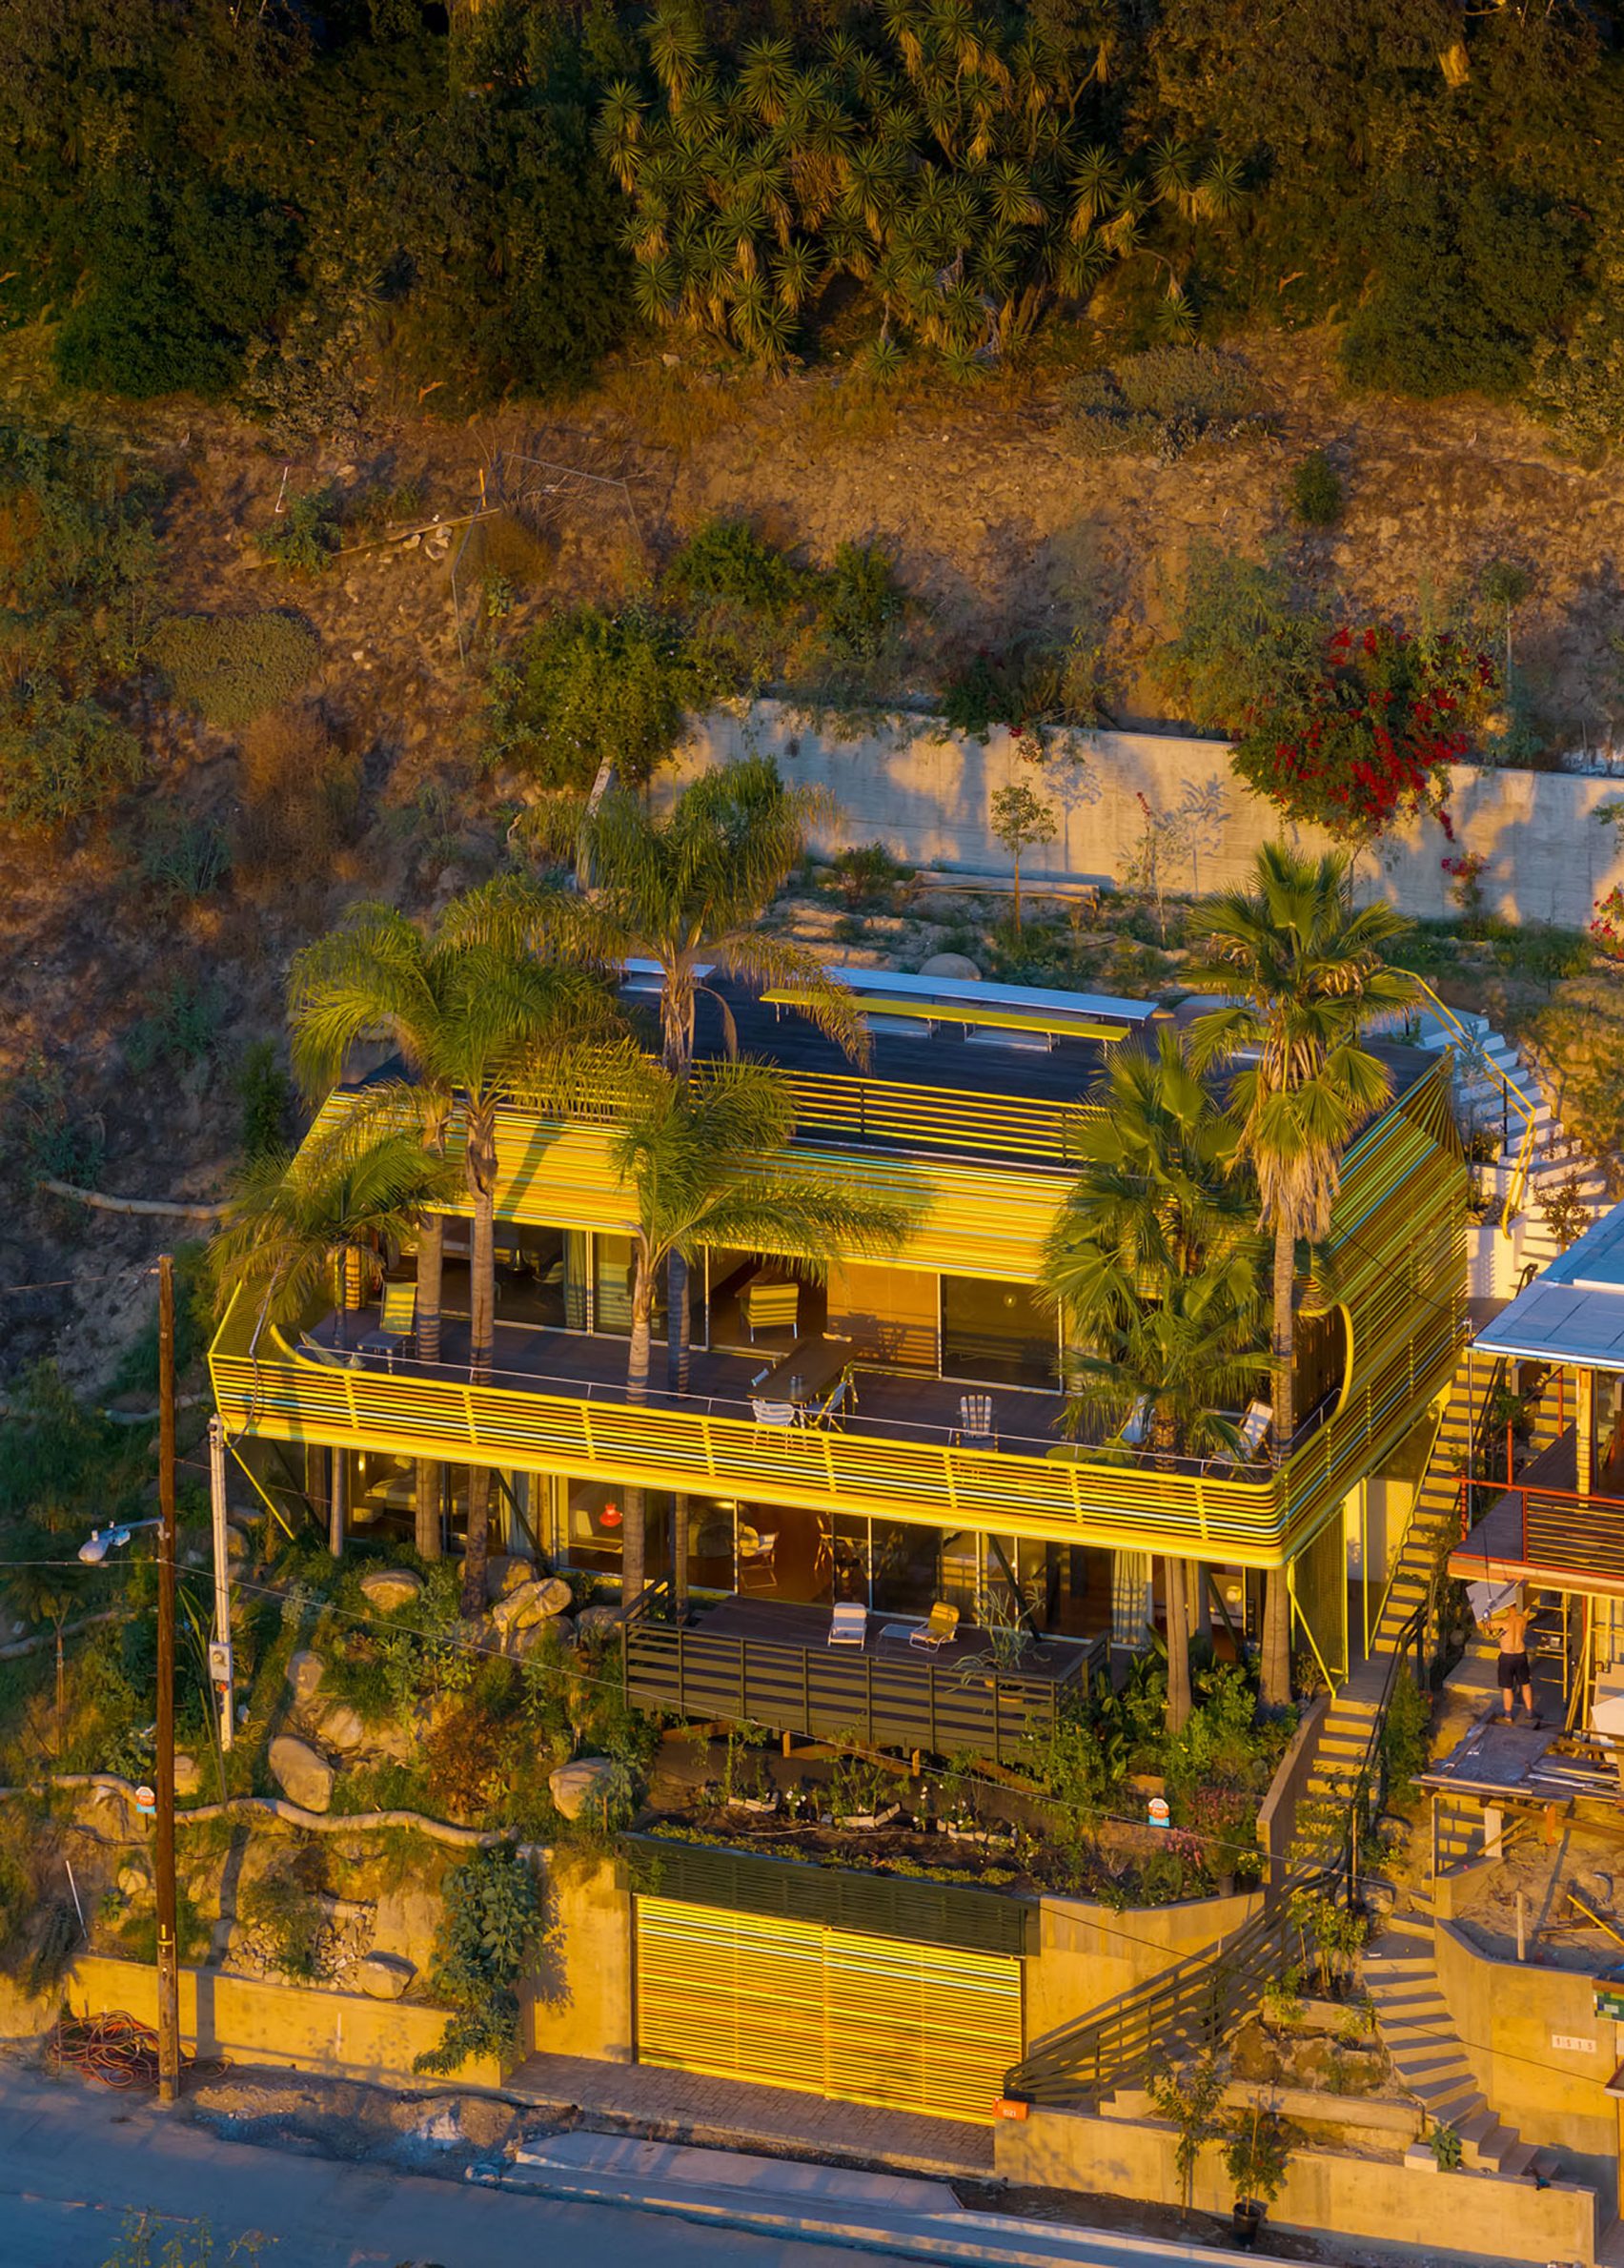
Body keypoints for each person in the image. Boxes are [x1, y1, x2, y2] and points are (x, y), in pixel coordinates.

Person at [1485, 1593, 1539, 1728]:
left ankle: (1508, 1715)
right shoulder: (1523, 1620)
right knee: (1525, 1684)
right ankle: (1529, 1711)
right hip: (1520, 1655)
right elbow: (1527, 1607)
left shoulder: (1502, 1622)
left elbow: (1486, 1626)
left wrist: (1486, 1611)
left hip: (1507, 1657)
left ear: (1508, 1608)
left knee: (1507, 1687)